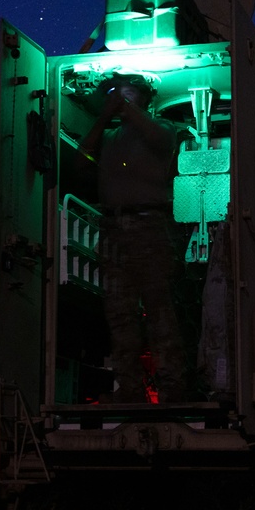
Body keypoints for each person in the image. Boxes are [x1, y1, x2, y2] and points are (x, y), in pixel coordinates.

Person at [79, 73, 188, 403]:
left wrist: (125, 109)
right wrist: (104, 114)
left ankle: (173, 387)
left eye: (128, 93)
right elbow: (83, 154)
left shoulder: (164, 129)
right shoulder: (109, 137)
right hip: (113, 230)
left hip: (149, 226)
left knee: (160, 312)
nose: (120, 98)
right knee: (120, 315)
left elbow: (161, 141)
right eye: (117, 93)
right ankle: (129, 388)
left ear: (144, 98)